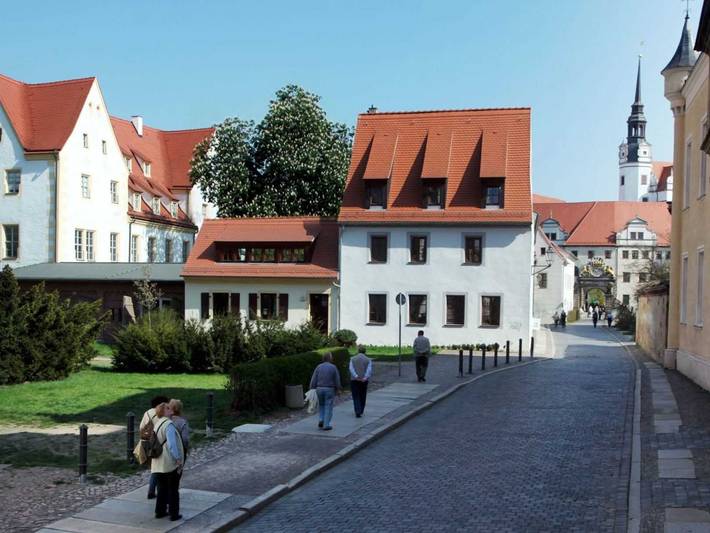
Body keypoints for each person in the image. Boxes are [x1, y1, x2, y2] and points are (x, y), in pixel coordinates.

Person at [151, 402, 185, 521]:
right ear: (164, 412)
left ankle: (160, 511)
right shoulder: (169, 425)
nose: (170, 409)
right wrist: (178, 459)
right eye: (167, 408)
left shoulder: (158, 423)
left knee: (161, 488)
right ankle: (174, 513)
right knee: (173, 489)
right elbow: (172, 444)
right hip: (168, 462)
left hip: (158, 462)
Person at [140, 395, 169, 499]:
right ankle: (158, 491)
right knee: (162, 469)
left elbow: (142, 428)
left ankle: (152, 491)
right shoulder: (165, 412)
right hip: (163, 443)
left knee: (155, 468)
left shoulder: (148, 413)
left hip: (151, 444)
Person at [309, 352, 341, 431]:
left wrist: (312, 387)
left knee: (321, 405)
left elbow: (314, 378)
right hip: (329, 389)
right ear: (330, 358)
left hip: (319, 389)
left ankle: (321, 419)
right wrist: (338, 389)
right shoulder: (333, 367)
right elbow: (337, 380)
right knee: (328, 406)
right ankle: (326, 424)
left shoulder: (318, 367)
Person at [349, 345, 373, 418]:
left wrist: (356, 376)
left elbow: (351, 368)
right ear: (365, 351)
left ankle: (357, 410)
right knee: (363, 395)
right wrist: (365, 377)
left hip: (354, 380)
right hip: (364, 380)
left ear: (358, 351)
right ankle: (361, 410)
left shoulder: (352, 359)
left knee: (356, 396)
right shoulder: (368, 360)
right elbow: (369, 370)